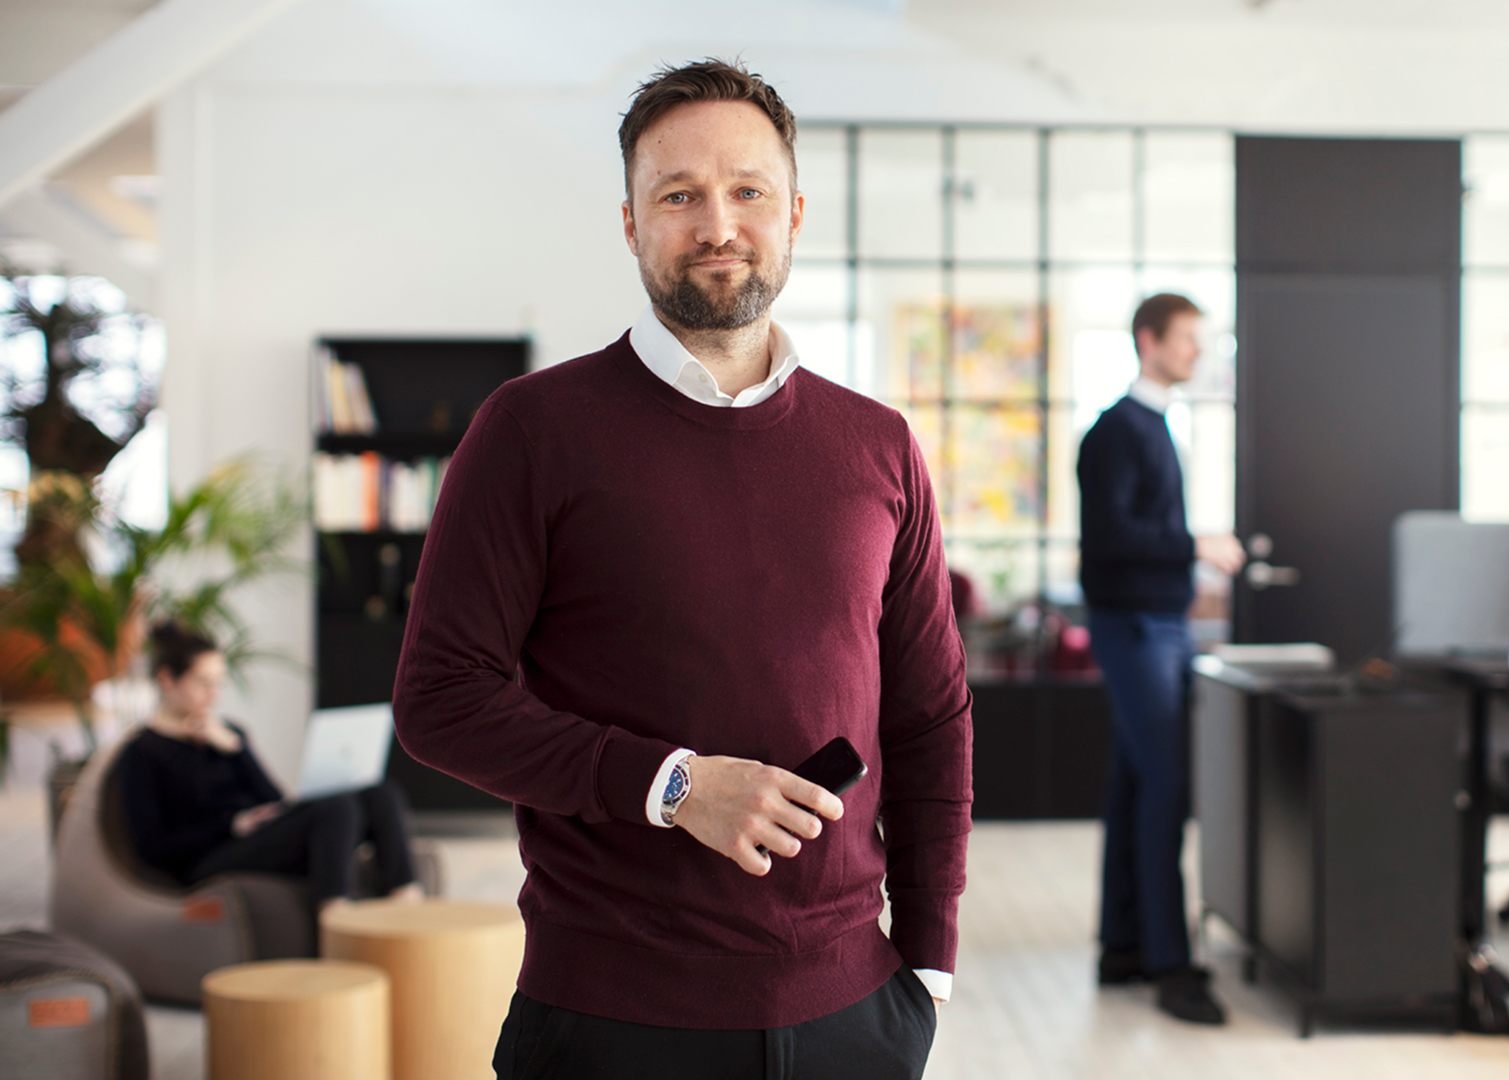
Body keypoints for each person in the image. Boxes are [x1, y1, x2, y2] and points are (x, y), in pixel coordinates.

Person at [391, 59, 970, 1080]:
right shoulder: (532, 431)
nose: (717, 224)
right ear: (630, 223)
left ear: (792, 212)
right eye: (679, 195)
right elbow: (440, 699)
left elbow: (930, 715)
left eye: (747, 191)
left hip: (854, 1014)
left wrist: (926, 963)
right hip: (612, 1018)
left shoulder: (878, 446)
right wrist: (671, 785)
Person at [1076, 293, 1245, 1025]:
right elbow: (1111, 536)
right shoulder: (1116, 431)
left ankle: (1123, 948)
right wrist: (1196, 545)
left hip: (1160, 623)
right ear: (1149, 340)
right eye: (1187, 341)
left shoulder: (1154, 425)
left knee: (1135, 787)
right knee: (1167, 787)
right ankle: (1170, 966)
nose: (1197, 353)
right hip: (1136, 628)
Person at [118, 622, 420, 913]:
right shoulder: (142, 752)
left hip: (257, 837)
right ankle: (335, 919)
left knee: (381, 793)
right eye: (203, 682)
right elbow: (152, 846)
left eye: (218, 683)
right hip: (209, 857)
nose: (215, 694)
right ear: (167, 680)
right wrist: (232, 825)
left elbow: (273, 799)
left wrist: (237, 749)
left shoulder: (226, 733)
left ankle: (407, 905)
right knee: (336, 809)